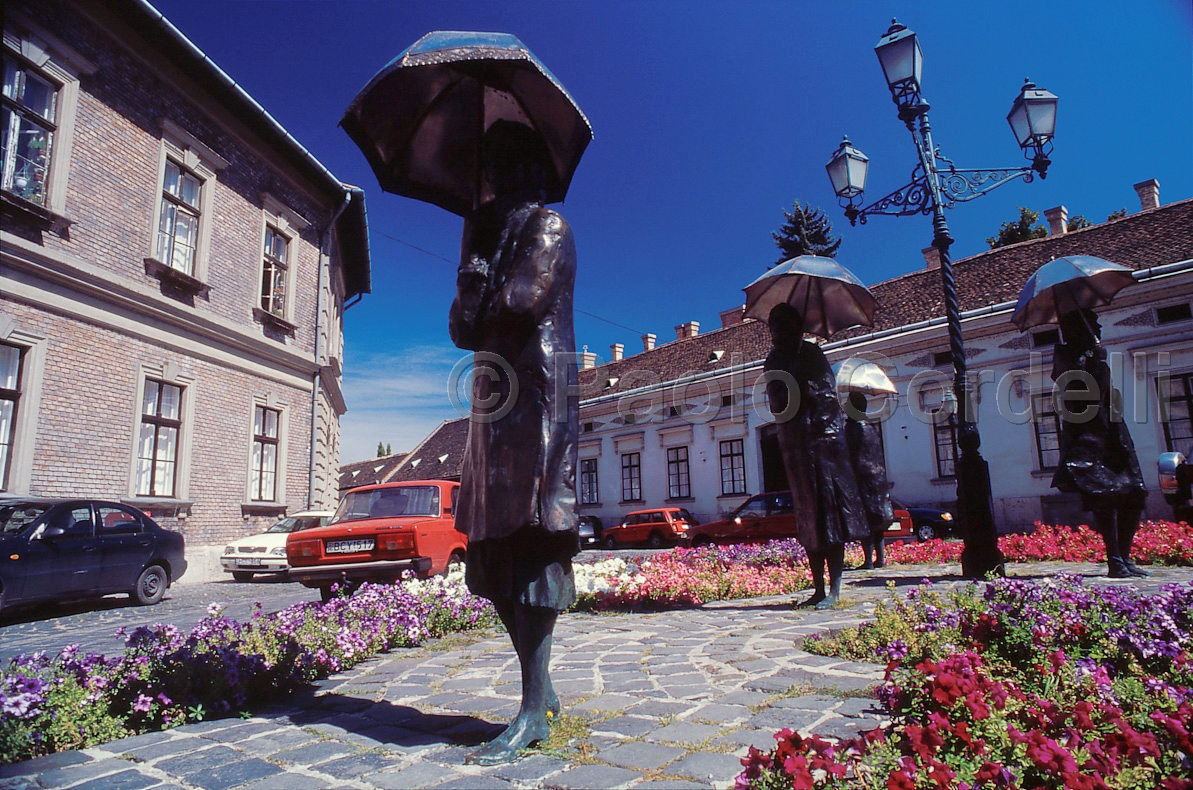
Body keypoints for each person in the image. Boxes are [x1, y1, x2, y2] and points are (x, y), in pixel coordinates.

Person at [448, 120, 580, 764]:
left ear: (524, 172)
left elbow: (522, 301)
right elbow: (461, 328)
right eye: (488, 168)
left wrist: (482, 256)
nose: (492, 181)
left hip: (536, 403)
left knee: (531, 545)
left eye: (502, 167)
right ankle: (543, 688)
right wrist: (472, 264)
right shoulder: (491, 240)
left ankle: (532, 710)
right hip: (492, 405)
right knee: (492, 551)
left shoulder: (546, 228)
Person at [765, 303, 869, 608]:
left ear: (795, 328)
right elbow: (778, 404)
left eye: (783, 326)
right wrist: (794, 388)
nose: (777, 333)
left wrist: (808, 391)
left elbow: (827, 398)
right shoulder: (775, 360)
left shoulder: (812, 354)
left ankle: (835, 588)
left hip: (824, 446)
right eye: (774, 327)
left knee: (829, 515)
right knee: (808, 519)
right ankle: (818, 589)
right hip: (795, 447)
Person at [1050, 308, 1149, 578]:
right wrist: (1092, 362)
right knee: (1105, 496)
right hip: (1088, 435)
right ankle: (1115, 559)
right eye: (1093, 322)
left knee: (1136, 492)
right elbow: (1076, 393)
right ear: (1076, 327)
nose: (1099, 327)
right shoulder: (1067, 355)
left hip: (1114, 430)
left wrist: (1097, 359)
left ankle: (1126, 558)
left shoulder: (1095, 353)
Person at [845, 390, 895, 569]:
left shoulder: (854, 427)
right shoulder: (871, 426)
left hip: (863, 481)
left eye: (847, 405)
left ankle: (868, 561)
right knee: (877, 523)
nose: (844, 408)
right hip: (877, 480)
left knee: (865, 522)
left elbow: (850, 453)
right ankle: (880, 558)